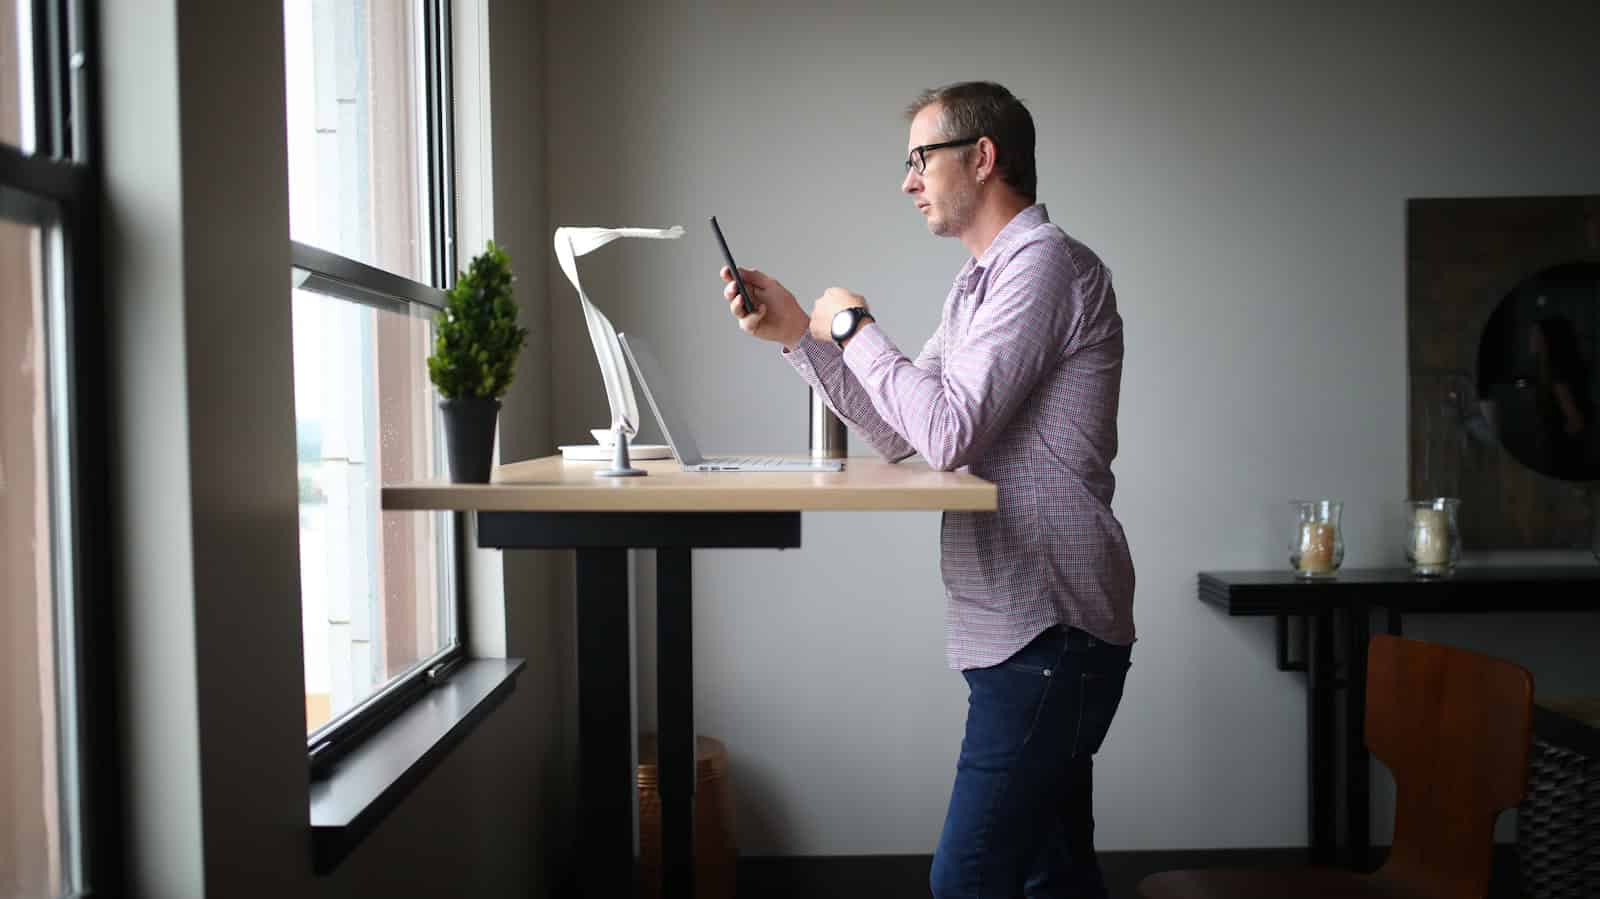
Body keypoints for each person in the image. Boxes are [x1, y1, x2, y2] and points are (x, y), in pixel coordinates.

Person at [714, 81, 1136, 898]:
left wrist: (854, 328)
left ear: (981, 158)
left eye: (920, 158)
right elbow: (906, 431)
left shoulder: (1042, 266)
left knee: (967, 878)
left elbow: (948, 431)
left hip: (1052, 629)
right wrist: (803, 332)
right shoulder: (976, 285)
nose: (907, 181)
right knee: (1050, 873)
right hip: (1021, 629)